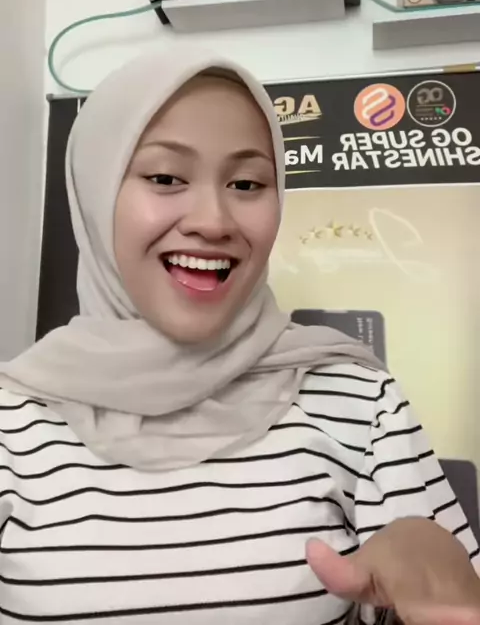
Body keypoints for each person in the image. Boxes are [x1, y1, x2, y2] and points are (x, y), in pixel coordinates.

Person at [0, 47, 478, 625]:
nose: (214, 221)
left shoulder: (361, 405)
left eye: (248, 183)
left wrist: (433, 586)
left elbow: (440, 604)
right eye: (165, 178)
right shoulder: (12, 425)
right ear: (94, 194)